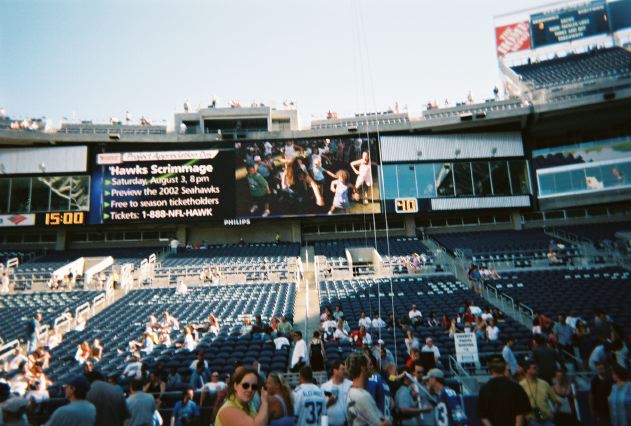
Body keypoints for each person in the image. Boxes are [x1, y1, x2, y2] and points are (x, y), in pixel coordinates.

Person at [478, 358, 531, 426]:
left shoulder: (484, 389)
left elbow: (483, 415)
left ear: (491, 370)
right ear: (504, 369)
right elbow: (521, 412)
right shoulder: (516, 387)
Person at [345, 352, 391, 426]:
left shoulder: (350, 391)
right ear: (363, 368)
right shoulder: (362, 396)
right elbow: (381, 423)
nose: (372, 367)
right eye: (370, 364)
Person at [321, 360, 352, 426]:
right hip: (330, 423)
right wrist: (329, 403)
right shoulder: (325, 387)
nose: (345, 372)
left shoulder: (350, 385)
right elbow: (321, 407)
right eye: (342, 369)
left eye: (345, 369)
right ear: (335, 371)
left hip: (346, 423)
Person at [590, 361, 612, 426]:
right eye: (598, 369)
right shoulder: (594, 381)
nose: (600, 371)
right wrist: (592, 409)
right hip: (600, 408)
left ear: (605, 369)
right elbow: (592, 395)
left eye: (601, 369)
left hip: (611, 407)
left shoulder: (610, 379)